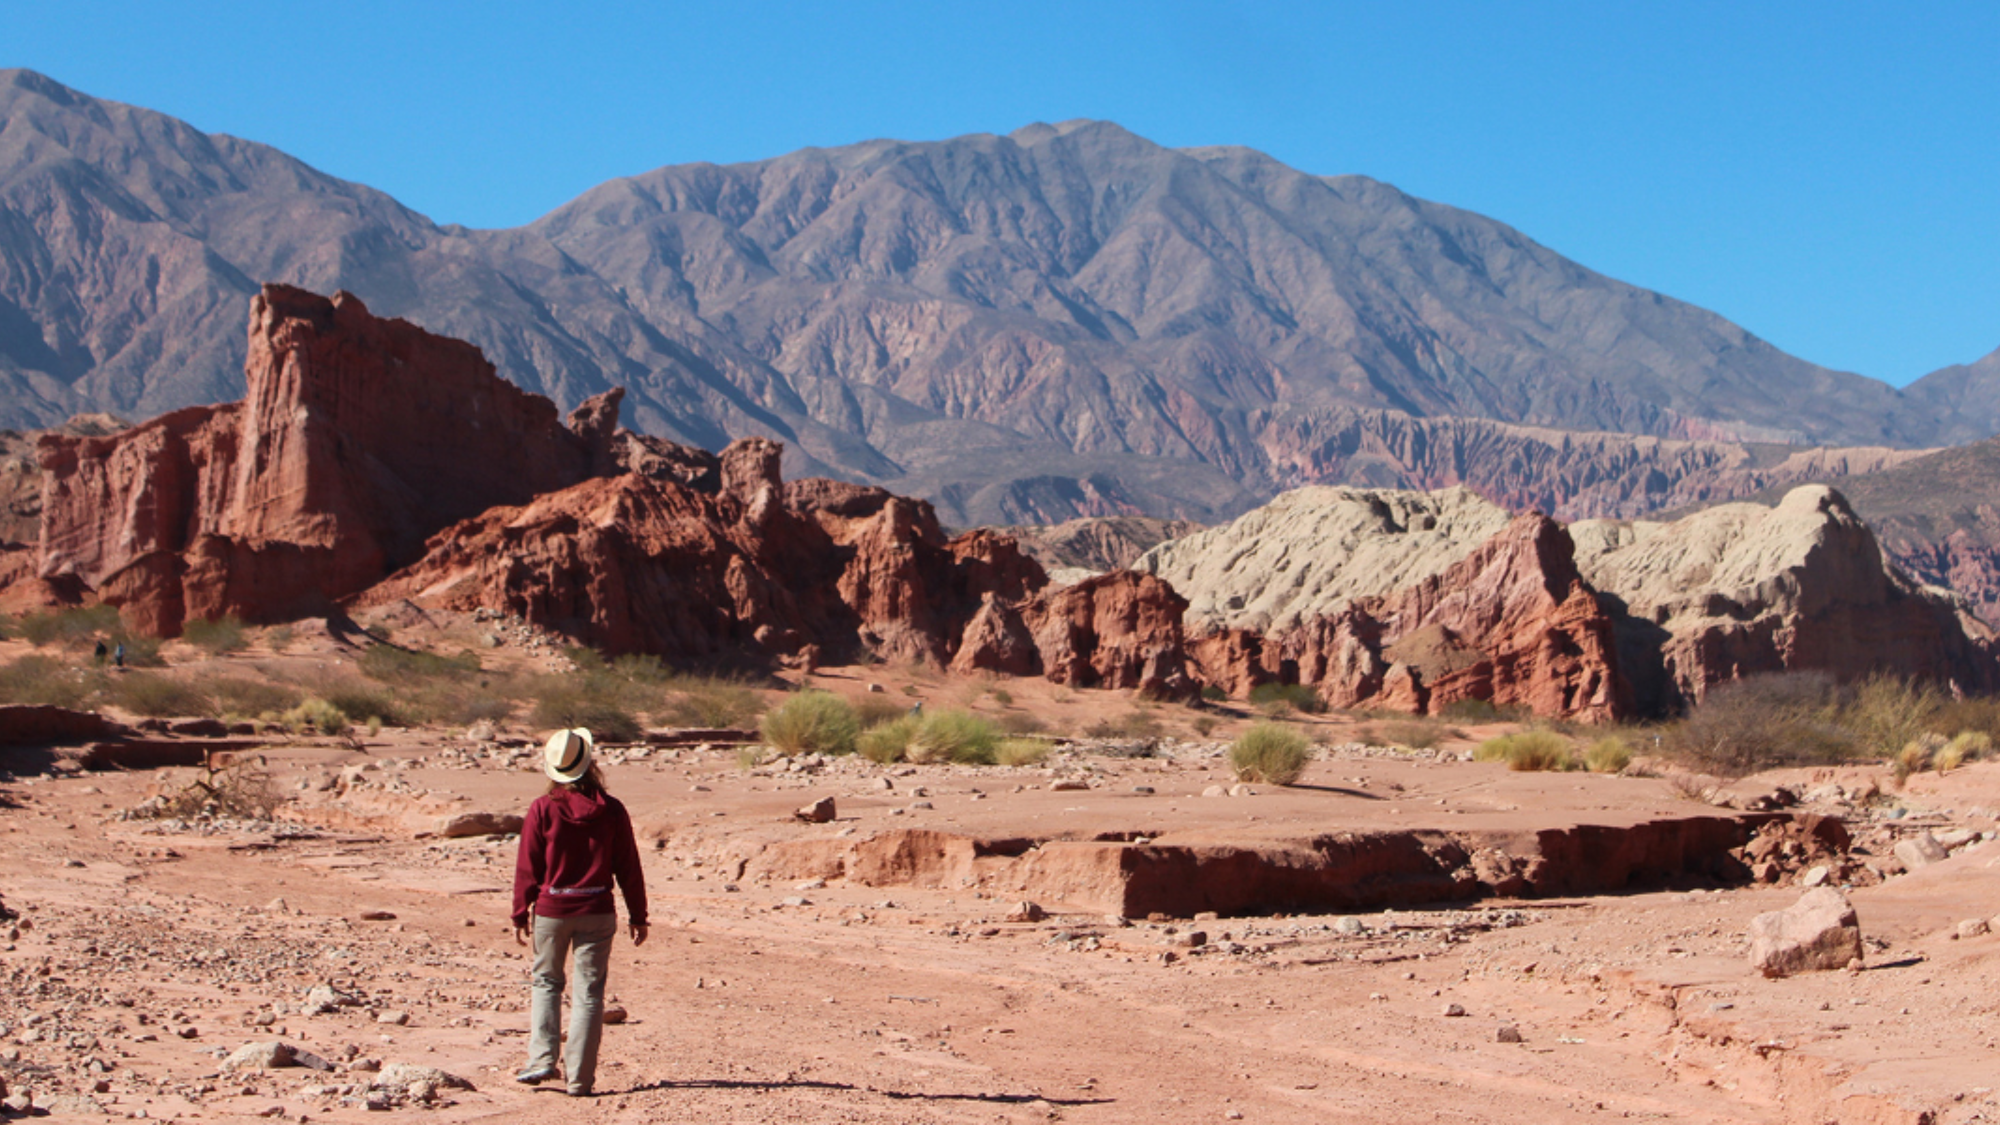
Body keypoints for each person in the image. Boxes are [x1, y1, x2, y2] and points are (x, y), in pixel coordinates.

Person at [510, 728, 648, 1097]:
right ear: (590, 765)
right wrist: (638, 914)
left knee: (546, 983)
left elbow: (528, 865)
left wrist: (520, 910)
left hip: (553, 910)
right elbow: (628, 866)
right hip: (598, 910)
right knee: (589, 994)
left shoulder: (543, 808)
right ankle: (580, 1079)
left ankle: (542, 1060)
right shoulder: (612, 810)